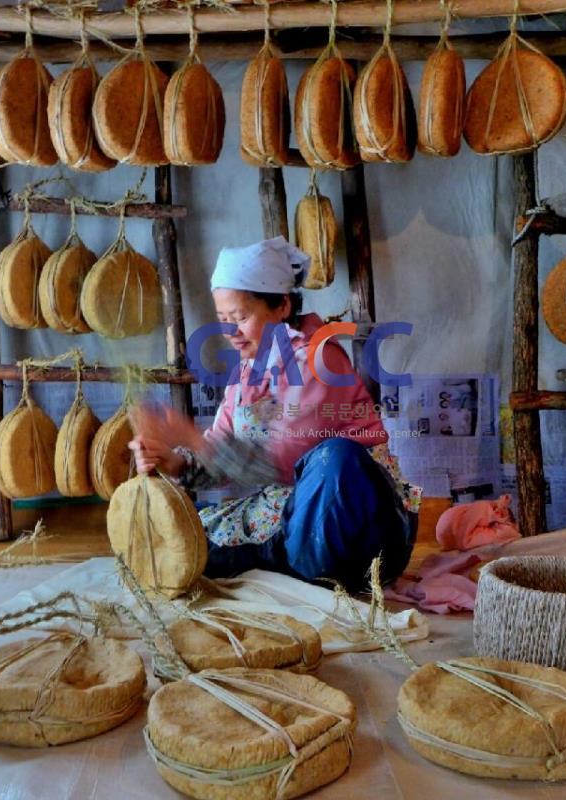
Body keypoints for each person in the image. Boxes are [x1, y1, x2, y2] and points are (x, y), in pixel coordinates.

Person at [128, 237, 421, 590]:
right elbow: (220, 459)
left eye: (240, 317)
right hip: (291, 519)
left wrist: (187, 434)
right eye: (222, 319)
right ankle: (279, 559)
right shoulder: (246, 374)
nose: (231, 332)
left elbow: (278, 461)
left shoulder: (320, 360)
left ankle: (287, 559)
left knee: (337, 458)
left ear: (282, 305)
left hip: (360, 522)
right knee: (173, 538)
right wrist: (171, 460)